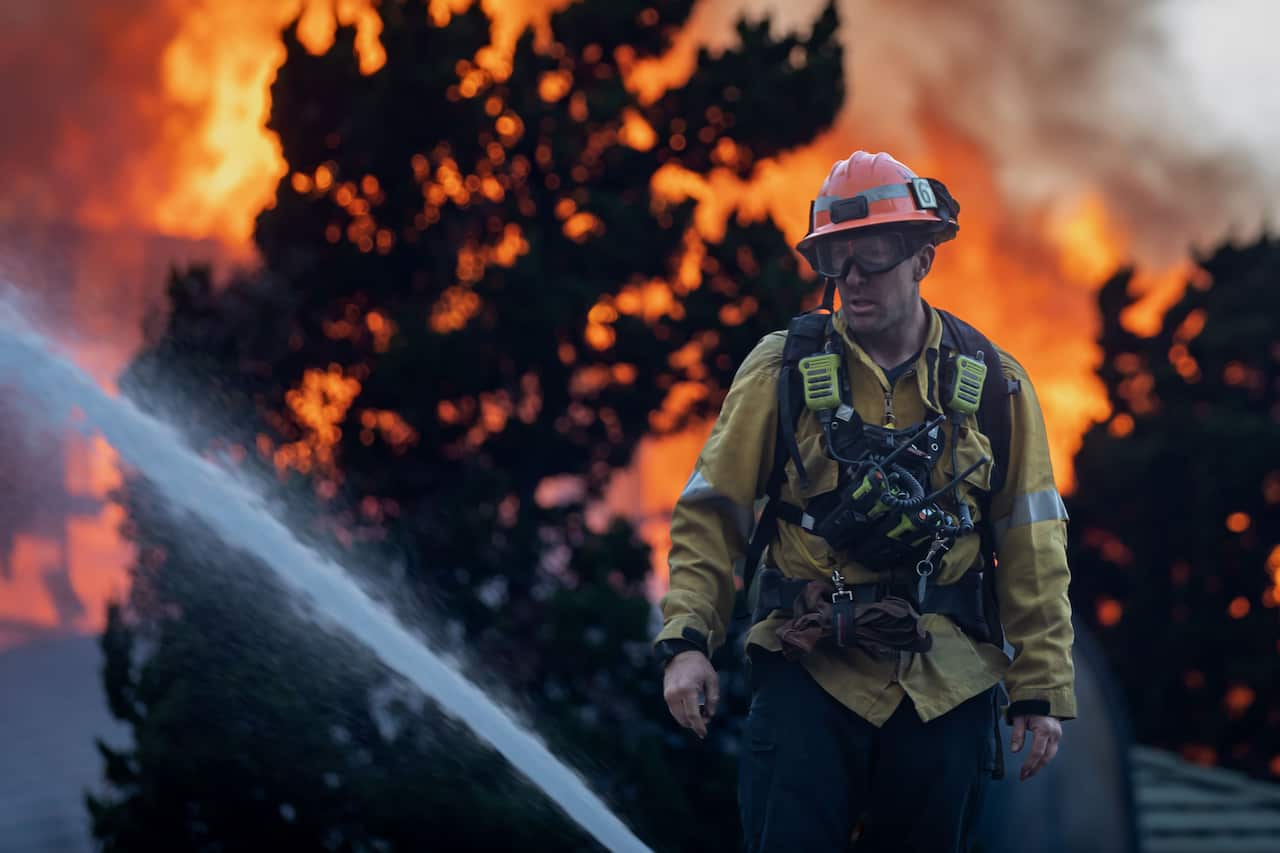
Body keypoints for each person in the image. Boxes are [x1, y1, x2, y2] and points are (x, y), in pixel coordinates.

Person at [652, 150, 1076, 852]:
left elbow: (1033, 541)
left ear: (922, 259)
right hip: (809, 670)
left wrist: (1041, 688)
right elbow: (712, 513)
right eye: (834, 259)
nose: (850, 279)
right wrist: (688, 642)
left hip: (946, 683)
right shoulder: (782, 367)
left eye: (871, 257)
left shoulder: (995, 383)